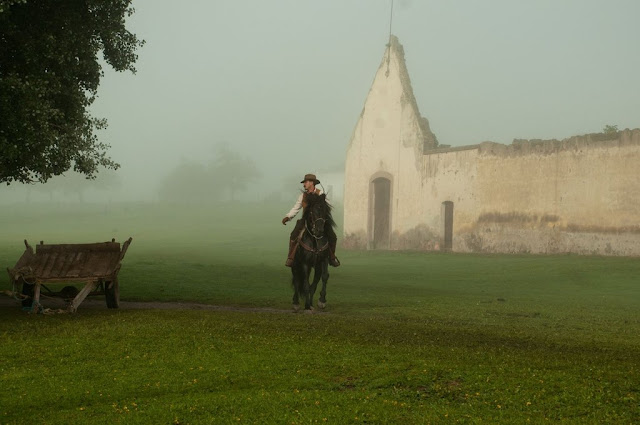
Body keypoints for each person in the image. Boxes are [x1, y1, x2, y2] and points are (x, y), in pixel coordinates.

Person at [282, 173, 340, 268]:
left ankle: (332, 257)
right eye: (304, 182)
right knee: (294, 234)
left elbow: (327, 208)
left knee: (332, 236)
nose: (304, 184)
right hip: (306, 220)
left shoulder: (321, 194)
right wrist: (288, 217)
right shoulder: (303, 196)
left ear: (312, 183)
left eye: (306, 182)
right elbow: (296, 208)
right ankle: (291, 257)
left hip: (320, 221)